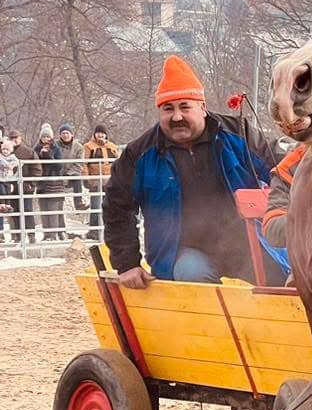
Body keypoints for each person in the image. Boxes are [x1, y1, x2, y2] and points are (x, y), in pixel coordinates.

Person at [104, 56, 280, 287]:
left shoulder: (239, 135)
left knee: (284, 279)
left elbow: (282, 171)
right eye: (168, 109)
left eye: (185, 107)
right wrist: (127, 263)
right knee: (193, 277)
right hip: (183, 248)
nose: (177, 117)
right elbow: (117, 205)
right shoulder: (139, 155)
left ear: (203, 108)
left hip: (245, 240)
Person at [82, 124, 120, 240]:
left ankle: (109, 230)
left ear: (106, 135)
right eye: (98, 133)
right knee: (96, 205)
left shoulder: (112, 147)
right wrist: (86, 178)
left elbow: (119, 162)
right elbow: (83, 163)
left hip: (110, 181)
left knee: (110, 206)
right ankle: (94, 231)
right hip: (95, 181)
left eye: (103, 133)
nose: (101, 135)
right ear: (95, 134)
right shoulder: (89, 146)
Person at [34, 124, 66, 242]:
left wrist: (48, 156)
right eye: (44, 136)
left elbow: (59, 166)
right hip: (42, 183)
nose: (46, 139)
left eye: (48, 137)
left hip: (54, 182)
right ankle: (46, 234)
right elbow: (34, 163)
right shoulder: (36, 149)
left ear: (51, 137)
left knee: (54, 210)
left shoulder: (56, 148)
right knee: (44, 209)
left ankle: (53, 235)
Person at [9, 130, 39, 242]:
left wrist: (32, 183)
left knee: (27, 209)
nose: (14, 140)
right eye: (12, 138)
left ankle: (31, 234)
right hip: (12, 187)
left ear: (20, 138)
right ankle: (18, 235)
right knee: (14, 210)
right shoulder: (6, 151)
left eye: (16, 137)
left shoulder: (28, 152)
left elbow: (36, 168)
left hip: (26, 186)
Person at [56, 124, 84, 232]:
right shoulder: (56, 145)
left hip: (72, 174)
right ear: (60, 135)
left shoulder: (78, 147)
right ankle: (60, 229)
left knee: (77, 178)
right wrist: (61, 175)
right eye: (63, 133)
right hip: (58, 174)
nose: (65, 135)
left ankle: (78, 203)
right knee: (58, 202)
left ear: (72, 134)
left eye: (67, 133)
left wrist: (68, 175)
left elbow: (79, 163)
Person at [0, 138, 20, 243]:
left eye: (7, 150)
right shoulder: (1, 157)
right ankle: (3, 203)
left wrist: (12, 165)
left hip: (8, 179)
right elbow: (1, 161)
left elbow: (18, 162)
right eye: (3, 149)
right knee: (2, 192)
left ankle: (7, 204)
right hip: (1, 179)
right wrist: (6, 164)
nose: (5, 151)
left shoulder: (12, 157)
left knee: (7, 192)